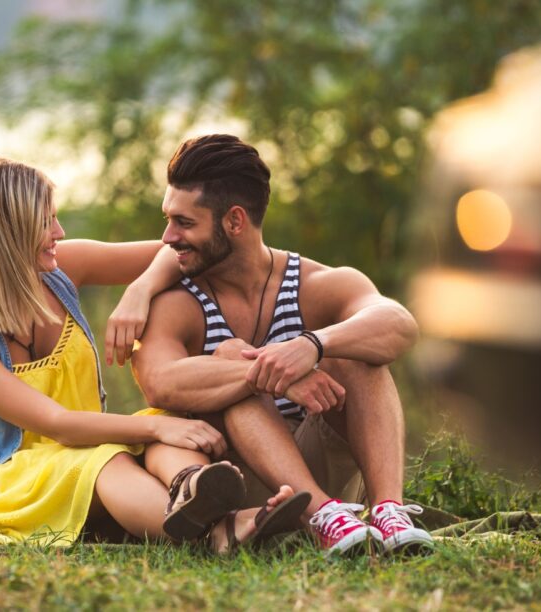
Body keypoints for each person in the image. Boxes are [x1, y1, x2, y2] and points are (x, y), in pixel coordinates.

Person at [0, 158, 308, 550]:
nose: (58, 232)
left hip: (87, 447)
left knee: (167, 424)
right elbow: (57, 423)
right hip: (10, 480)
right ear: (7, 236)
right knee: (118, 453)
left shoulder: (62, 270)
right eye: (46, 223)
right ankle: (219, 531)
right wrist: (154, 428)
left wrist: (139, 291)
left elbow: (176, 249)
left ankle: (191, 487)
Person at [132, 135, 434, 557]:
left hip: (325, 466)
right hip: (242, 490)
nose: (167, 237)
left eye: (183, 223)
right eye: (169, 219)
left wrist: (313, 345)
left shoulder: (317, 283)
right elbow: (159, 384)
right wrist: (277, 377)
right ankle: (319, 514)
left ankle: (388, 512)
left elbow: (399, 326)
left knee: (359, 352)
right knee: (232, 356)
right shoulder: (178, 301)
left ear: (234, 221)